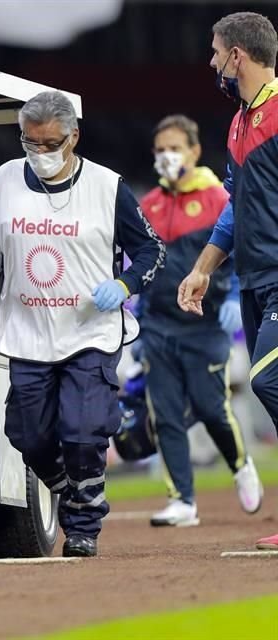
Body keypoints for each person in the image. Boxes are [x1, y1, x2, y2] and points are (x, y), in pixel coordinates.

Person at [0, 91, 164, 557]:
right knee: (28, 436)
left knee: (82, 428)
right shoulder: (6, 179)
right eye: (30, 143)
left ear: (74, 135)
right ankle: (71, 488)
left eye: (50, 143)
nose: (39, 154)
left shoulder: (107, 186)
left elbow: (152, 250)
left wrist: (125, 284)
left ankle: (83, 524)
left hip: (88, 330)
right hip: (30, 330)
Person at [178, 11, 278, 551]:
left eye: (216, 52)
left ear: (237, 55)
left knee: (267, 379)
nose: (213, 62)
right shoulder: (240, 123)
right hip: (252, 278)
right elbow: (235, 211)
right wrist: (202, 269)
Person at [138, 114, 263, 527]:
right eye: (159, 150)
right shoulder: (150, 205)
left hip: (205, 323)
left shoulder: (217, 199)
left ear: (194, 151)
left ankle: (241, 465)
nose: (165, 157)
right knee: (165, 414)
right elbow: (141, 262)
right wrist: (136, 314)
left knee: (211, 408)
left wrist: (229, 297)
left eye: (173, 148)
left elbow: (243, 247)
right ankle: (182, 501)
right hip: (158, 325)